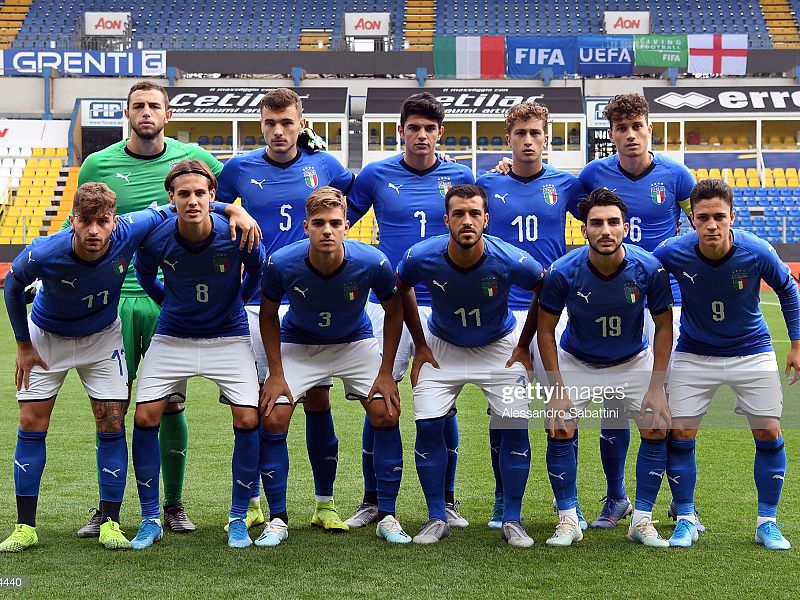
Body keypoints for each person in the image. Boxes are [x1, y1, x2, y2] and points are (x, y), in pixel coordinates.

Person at [76, 80, 231, 536]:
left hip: (171, 301)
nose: (146, 112)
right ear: (127, 113)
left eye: (154, 105)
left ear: (167, 113)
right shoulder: (98, 164)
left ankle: (173, 505)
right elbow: (87, 222)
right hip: (113, 302)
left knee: (169, 407)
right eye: (138, 105)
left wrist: (235, 211)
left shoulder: (193, 158)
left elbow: (227, 189)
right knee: (112, 408)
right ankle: (108, 509)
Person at [0, 182, 175, 552]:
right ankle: (25, 527)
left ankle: (110, 522)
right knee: (31, 424)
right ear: (73, 221)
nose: (94, 231)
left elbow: (178, 205)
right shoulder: (45, 252)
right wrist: (22, 344)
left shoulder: (131, 229)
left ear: (114, 221)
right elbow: (12, 287)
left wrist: (231, 210)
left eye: (102, 221)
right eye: (85, 221)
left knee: (112, 425)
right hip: (47, 338)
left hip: (101, 339)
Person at [216, 88, 355, 533]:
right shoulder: (239, 168)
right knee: (258, 405)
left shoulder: (327, 166)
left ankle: (325, 502)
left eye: (287, 123)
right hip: (257, 301)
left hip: (314, 299)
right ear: (261, 125)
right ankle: (254, 500)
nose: (278, 132)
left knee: (318, 398)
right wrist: (230, 212)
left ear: (302, 123)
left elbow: (347, 203)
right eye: (270, 124)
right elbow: (206, 202)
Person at [346, 92, 475, 530]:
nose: (421, 136)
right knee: (378, 398)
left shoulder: (460, 175)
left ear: (440, 133)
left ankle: (447, 499)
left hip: (444, 303)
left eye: (430, 128)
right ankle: (374, 500)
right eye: (413, 128)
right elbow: (336, 216)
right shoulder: (375, 174)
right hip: (391, 303)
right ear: (401, 131)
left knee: (446, 400)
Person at [256, 186, 409, 546]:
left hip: (354, 341)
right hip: (300, 342)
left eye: (335, 223)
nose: (327, 230)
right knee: (274, 416)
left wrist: (386, 373)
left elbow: (395, 310)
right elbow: (267, 315)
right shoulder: (281, 262)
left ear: (346, 226)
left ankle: (387, 514)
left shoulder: (373, 262)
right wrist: (276, 374)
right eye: (320, 223)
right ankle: (277, 519)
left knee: (386, 412)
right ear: (306, 226)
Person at [653, 178, 800, 549]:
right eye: (703, 218)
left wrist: (796, 345)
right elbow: (642, 276)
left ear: (732, 216)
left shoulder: (756, 250)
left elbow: (788, 288)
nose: (712, 225)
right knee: (681, 434)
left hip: (751, 350)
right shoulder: (673, 251)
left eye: (719, 216)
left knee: (768, 433)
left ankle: (767, 522)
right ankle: (686, 517)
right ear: (692, 221)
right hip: (694, 352)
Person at [396, 184, 543, 547]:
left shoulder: (509, 258)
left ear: (486, 219)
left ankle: (512, 518)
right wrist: (419, 344)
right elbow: (401, 285)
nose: (467, 221)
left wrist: (524, 345)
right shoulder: (421, 255)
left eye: (474, 213)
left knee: (513, 426)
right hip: (441, 346)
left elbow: (544, 286)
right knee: (428, 425)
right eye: (459, 214)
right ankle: (436, 517)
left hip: (498, 348)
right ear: (446, 220)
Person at [128, 160, 265, 549]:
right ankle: (151, 517)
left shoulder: (236, 232)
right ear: (171, 198)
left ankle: (238, 516)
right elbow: (145, 275)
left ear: (212, 197)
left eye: (200, 193)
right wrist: (169, 301)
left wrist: (238, 300)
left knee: (247, 417)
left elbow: (257, 271)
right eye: (183, 194)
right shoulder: (156, 238)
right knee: (145, 414)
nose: (192, 201)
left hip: (229, 336)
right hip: (174, 336)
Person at [577, 93, 696, 529]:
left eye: (637, 127)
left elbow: (698, 222)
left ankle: (683, 502)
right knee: (613, 403)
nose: (630, 136)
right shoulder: (592, 175)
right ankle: (615, 497)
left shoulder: (677, 176)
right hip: (611, 298)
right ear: (611, 134)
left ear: (649, 128)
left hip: (665, 299)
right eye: (621, 128)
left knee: (672, 402)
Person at [537, 188, 674, 548]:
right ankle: (568, 519)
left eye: (613, 222)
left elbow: (664, 327)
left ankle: (641, 520)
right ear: (583, 230)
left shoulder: (649, 269)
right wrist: (557, 389)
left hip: (632, 360)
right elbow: (545, 330)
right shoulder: (563, 271)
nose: (605, 230)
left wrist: (657, 385)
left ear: (625, 228)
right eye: (596, 223)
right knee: (560, 428)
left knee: (657, 428)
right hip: (577, 360)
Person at [476, 100, 587, 529]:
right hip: (502, 314)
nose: (528, 141)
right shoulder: (487, 183)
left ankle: (569, 504)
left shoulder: (567, 185)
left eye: (535, 133)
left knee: (564, 410)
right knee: (505, 413)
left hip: (554, 313)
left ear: (547, 137)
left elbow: (603, 218)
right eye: (520, 134)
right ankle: (503, 500)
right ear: (509, 139)